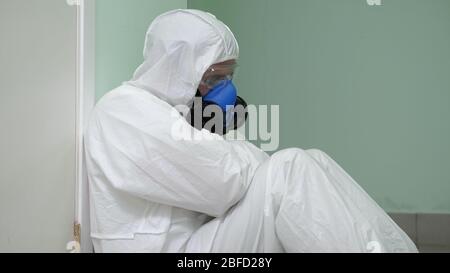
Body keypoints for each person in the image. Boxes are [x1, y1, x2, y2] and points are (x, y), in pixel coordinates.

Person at [84, 9, 418, 253]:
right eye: (214, 76)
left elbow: (233, 175)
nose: (224, 87)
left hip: (198, 241)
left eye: (228, 76)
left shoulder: (179, 114)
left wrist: (213, 133)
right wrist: (219, 139)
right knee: (289, 169)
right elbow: (226, 183)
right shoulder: (124, 111)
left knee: (313, 161)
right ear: (179, 66)